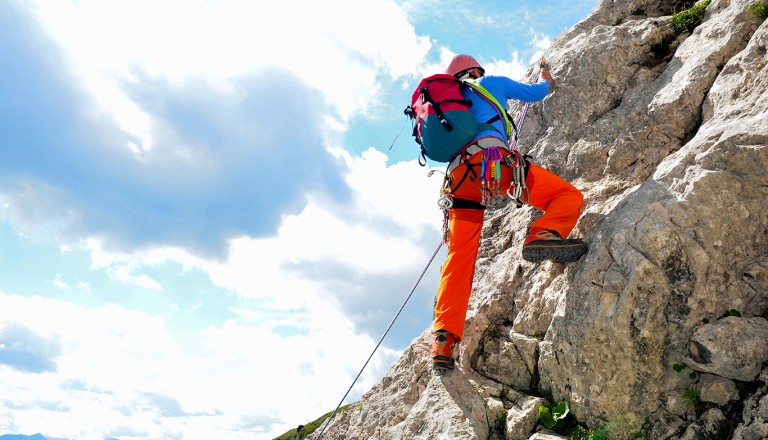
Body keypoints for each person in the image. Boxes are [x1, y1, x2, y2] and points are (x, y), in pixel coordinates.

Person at [431, 54, 588, 374]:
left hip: (458, 180)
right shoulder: (490, 84)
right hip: (493, 162)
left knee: (458, 260)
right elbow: (538, 92)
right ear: (474, 72)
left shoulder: (445, 106)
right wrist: (546, 75)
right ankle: (543, 232)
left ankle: (444, 342)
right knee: (566, 196)